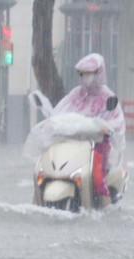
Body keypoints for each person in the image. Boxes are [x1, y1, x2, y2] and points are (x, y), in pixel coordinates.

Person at [52, 53, 126, 208]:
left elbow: (117, 120)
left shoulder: (107, 97)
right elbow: (61, 110)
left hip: (97, 145)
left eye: (89, 73)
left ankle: (106, 211)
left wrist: (105, 127)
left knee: (97, 179)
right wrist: (54, 123)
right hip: (74, 143)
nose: (85, 77)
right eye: (83, 73)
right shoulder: (76, 94)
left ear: (98, 73)